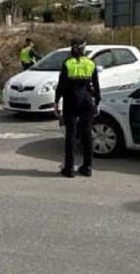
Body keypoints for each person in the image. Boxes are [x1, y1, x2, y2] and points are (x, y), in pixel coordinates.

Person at [54, 38, 101, 178]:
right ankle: (87, 167)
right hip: (87, 101)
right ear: (84, 49)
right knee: (87, 134)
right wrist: (97, 102)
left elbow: (61, 85)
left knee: (71, 135)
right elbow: (96, 87)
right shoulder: (91, 63)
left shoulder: (67, 63)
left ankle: (69, 169)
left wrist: (56, 102)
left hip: (71, 100)